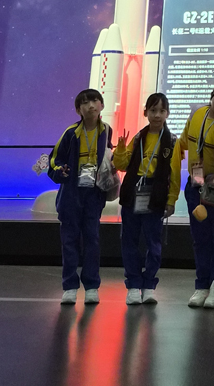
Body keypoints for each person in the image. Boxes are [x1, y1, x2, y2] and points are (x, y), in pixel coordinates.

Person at [167, 78, 214, 309]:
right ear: (212, 95)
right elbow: (183, 143)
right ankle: (202, 285)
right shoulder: (197, 114)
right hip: (195, 187)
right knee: (200, 238)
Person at [48, 88, 112, 305]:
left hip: (94, 193)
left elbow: (108, 155)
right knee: (69, 241)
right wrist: (60, 171)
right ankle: (69, 287)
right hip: (71, 193)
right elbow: (53, 159)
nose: (90, 105)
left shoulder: (107, 131)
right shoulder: (70, 133)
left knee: (92, 240)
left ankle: (92, 286)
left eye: (95, 101)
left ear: (102, 105)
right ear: (78, 110)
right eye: (85, 103)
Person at [113, 92, 175, 305]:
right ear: (145, 112)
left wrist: (171, 200)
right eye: (153, 110)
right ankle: (133, 285)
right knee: (129, 240)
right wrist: (121, 148)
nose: (157, 115)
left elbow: (174, 174)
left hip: (156, 195)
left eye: (162, 111)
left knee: (153, 243)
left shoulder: (171, 141)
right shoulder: (139, 137)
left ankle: (149, 285)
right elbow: (122, 165)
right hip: (134, 192)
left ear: (167, 113)